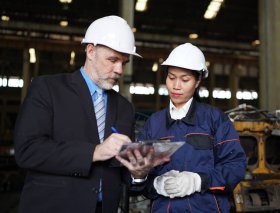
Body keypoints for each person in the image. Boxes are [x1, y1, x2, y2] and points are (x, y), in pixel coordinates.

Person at [14, 15, 168, 213]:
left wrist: (138, 173)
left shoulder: (124, 107)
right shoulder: (48, 89)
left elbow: (122, 173)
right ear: (91, 51)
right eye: (112, 60)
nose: (119, 70)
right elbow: (28, 151)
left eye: (124, 62)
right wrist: (94, 152)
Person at [138, 43, 247, 212]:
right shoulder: (154, 123)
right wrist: (156, 184)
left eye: (185, 80)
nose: (176, 86)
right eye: (171, 77)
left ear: (197, 82)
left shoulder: (214, 119)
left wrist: (198, 181)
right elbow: (137, 173)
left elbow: (235, 166)